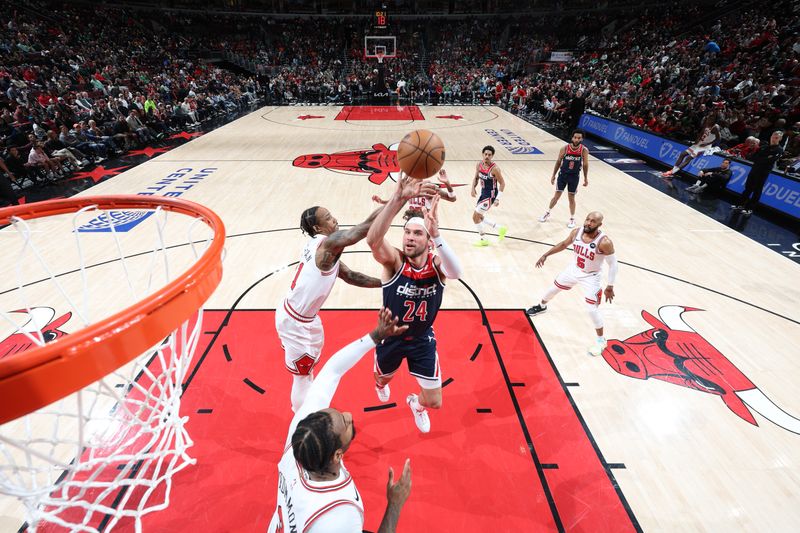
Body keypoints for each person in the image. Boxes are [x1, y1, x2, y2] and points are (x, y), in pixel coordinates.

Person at [267, 308, 413, 533]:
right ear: (337, 455)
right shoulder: (340, 514)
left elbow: (332, 372)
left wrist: (375, 336)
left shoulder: (302, 438)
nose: (349, 415)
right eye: (345, 424)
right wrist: (395, 503)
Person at [367, 176, 462, 433]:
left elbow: (456, 272)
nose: (409, 238)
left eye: (417, 233)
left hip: (421, 339)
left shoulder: (436, 265)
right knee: (382, 378)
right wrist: (396, 199)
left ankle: (415, 405)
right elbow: (373, 241)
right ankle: (380, 383)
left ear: (428, 241)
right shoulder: (395, 262)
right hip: (390, 337)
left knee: (435, 402)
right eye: (407, 232)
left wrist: (439, 234)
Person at [277, 205, 383, 412]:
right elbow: (362, 229)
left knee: (306, 373)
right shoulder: (327, 246)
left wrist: (386, 283)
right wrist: (399, 198)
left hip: (298, 315)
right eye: (328, 218)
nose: (335, 219)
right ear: (317, 227)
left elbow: (351, 276)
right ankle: (302, 418)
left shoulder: (321, 247)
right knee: (301, 377)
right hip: (296, 322)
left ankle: (306, 404)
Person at [526, 211, 618, 357]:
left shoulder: (604, 242)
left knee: (591, 309)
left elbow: (613, 264)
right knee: (552, 289)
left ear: (599, 225)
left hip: (591, 277)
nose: (588, 222)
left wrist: (610, 286)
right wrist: (546, 254)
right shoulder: (577, 232)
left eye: (593, 221)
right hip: (574, 269)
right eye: (587, 219)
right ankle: (541, 306)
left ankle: (601, 340)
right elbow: (563, 244)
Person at [538, 130, 589, 228]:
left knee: (571, 198)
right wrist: (553, 175)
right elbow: (558, 162)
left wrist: (586, 178)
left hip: (574, 177)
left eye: (579, 138)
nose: (576, 139)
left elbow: (586, 165)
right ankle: (547, 212)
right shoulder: (565, 148)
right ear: (572, 138)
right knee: (556, 196)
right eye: (575, 137)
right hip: (563, 175)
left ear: (582, 139)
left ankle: (572, 218)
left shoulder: (584, 150)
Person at [734, 130, 784, 216]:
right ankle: (740, 205)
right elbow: (753, 157)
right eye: (773, 136)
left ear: (780, 139)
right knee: (748, 187)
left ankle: (749, 208)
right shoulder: (763, 147)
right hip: (754, 169)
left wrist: (761, 158)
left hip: (763, 172)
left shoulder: (779, 149)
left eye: (776, 137)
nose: (773, 138)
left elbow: (770, 160)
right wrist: (763, 158)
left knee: (757, 190)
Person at [372, 168, 457, 215]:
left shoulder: (429, 187)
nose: (410, 177)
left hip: (427, 224)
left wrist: (447, 184)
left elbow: (452, 199)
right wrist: (382, 201)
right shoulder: (407, 189)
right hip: (411, 221)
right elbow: (395, 201)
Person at [470, 145, 507, 246]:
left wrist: (497, 199)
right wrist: (473, 188)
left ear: (492, 156)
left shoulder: (495, 169)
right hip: (483, 194)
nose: (487, 156)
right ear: (482, 154)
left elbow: (502, 183)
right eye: (485, 154)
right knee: (479, 216)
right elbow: (476, 178)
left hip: (491, 195)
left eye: (489, 155)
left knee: (475, 217)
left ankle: (483, 239)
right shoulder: (479, 165)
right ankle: (500, 228)